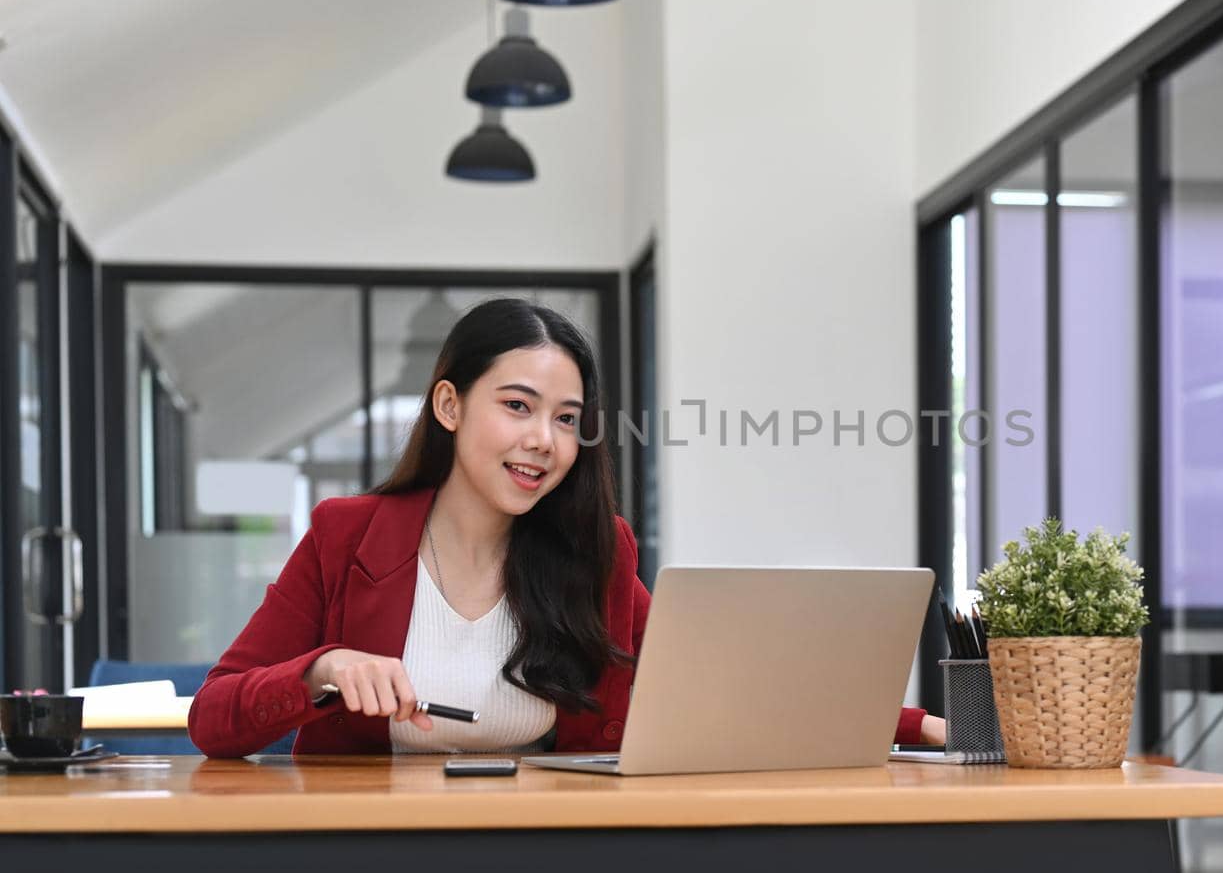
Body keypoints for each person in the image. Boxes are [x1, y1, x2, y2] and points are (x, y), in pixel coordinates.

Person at [189, 298, 946, 756]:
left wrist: (920, 728)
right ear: (450, 408)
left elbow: (729, 682)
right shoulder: (344, 535)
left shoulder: (594, 551)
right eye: (517, 406)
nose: (544, 441)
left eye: (566, 419)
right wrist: (324, 670)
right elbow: (213, 718)